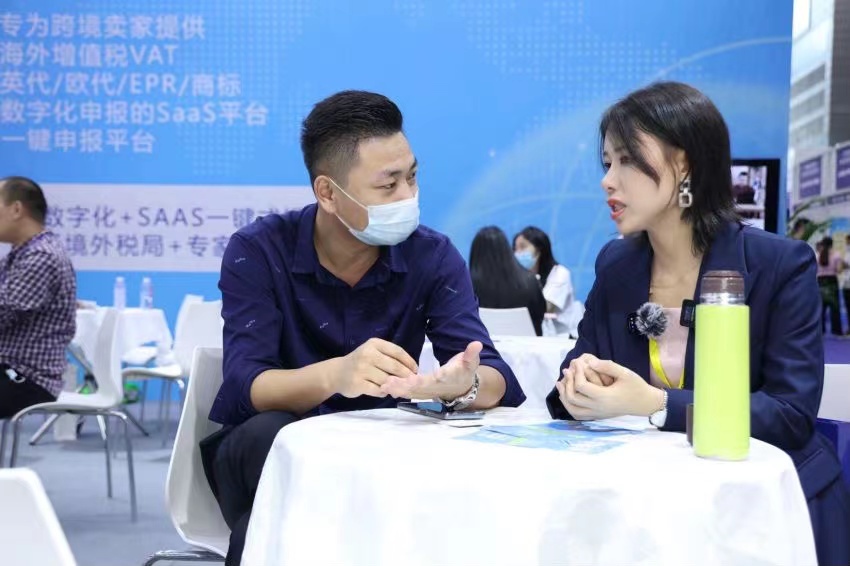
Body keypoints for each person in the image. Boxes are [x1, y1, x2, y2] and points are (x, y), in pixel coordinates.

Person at [201, 90, 525, 565]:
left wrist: (463, 385)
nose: (408, 197)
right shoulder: (260, 250)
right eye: (388, 185)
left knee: (281, 525)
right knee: (278, 451)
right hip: (272, 451)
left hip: (378, 454)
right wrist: (336, 374)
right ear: (328, 193)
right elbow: (246, 384)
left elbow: (495, 376)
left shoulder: (431, 256)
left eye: (412, 177)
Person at [545, 81, 850, 565]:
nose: (608, 180)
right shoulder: (616, 265)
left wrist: (657, 404)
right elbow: (571, 376)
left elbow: (789, 415)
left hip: (764, 511)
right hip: (652, 507)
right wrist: (579, 384)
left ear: (683, 163)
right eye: (607, 163)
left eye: (627, 160)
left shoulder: (778, 265)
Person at [0, 176, 76, 418]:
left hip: (26, 378)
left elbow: (3, 314)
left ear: (16, 209)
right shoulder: (21, 254)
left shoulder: (40, 257)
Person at [469, 226, 546, 336]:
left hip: (481, 344)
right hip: (525, 344)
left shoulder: (465, 285)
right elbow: (539, 316)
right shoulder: (530, 281)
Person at [513, 226, 585, 337]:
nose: (517, 253)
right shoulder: (518, 277)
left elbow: (546, 307)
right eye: (515, 249)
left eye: (523, 247)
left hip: (561, 337)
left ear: (539, 249)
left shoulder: (560, 273)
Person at [817, 236, 845, 336]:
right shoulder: (836, 255)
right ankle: (836, 331)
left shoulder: (818, 255)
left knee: (820, 308)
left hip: (820, 281)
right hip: (832, 281)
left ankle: (820, 330)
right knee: (835, 307)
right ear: (832, 244)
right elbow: (839, 270)